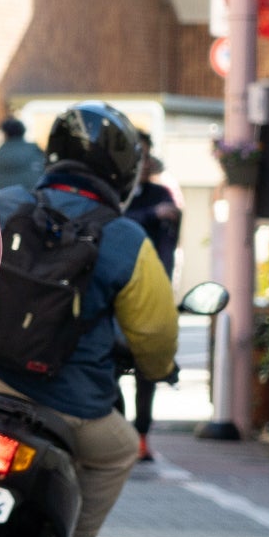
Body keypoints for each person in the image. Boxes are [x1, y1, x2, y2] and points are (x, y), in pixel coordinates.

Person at [0, 102, 178, 537]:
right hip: (70, 408)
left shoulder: (2, 203)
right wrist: (157, 368)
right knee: (121, 449)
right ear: (122, 172)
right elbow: (154, 336)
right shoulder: (128, 239)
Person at [122, 130, 182, 462]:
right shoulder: (117, 194)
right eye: (137, 155)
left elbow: (169, 242)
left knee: (150, 368)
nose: (143, 163)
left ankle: (141, 435)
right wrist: (151, 215)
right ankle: (116, 435)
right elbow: (114, 223)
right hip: (116, 292)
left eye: (147, 155)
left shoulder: (162, 192)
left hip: (150, 291)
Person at [0, 116, 46, 191]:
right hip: (31, 199)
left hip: (2, 200)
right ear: (23, 132)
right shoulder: (36, 154)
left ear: (5, 134)